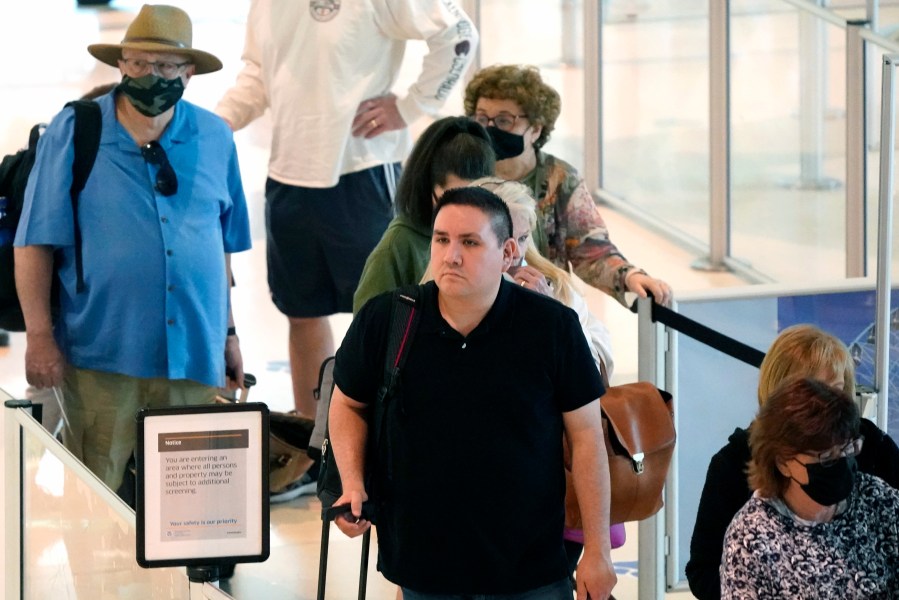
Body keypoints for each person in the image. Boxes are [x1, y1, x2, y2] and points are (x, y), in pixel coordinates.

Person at [329, 187, 617, 599]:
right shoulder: (389, 318)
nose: (451, 255)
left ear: (508, 252)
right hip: (424, 568)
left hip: (529, 570)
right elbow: (347, 403)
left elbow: (588, 436)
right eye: (441, 239)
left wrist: (598, 550)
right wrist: (353, 482)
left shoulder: (552, 327)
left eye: (470, 242)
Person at [14, 4, 251, 492]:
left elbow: (220, 248)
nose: (151, 76)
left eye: (166, 67)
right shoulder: (77, 131)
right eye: (140, 63)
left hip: (194, 355)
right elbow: (34, 241)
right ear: (121, 64)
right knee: (96, 495)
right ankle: (106, 574)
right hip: (103, 352)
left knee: (188, 503)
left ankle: (187, 574)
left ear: (189, 73)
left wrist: (228, 334)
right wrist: (39, 335)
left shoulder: (215, 137)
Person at [215, 1, 478, 421]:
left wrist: (410, 107)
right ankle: (312, 445)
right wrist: (215, 123)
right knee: (301, 313)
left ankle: (389, 441)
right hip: (289, 178)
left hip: (363, 174)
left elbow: (459, 36)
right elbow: (259, 75)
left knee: (391, 317)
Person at [686, 324, 899, 600]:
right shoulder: (745, 514)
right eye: (816, 394)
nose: (828, 406)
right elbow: (703, 571)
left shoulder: (872, 460)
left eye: (835, 390)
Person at [464, 64, 671, 307]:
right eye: (481, 118)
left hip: (544, 306)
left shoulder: (559, 178)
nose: (490, 128)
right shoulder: (465, 172)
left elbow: (590, 250)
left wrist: (629, 276)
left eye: (504, 120)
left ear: (536, 129)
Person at [721, 377, 899, 598]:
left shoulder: (877, 499)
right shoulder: (752, 537)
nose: (842, 462)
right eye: (826, 458)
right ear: (783, 463)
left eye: (848, 449)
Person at [352, 117, 495, 313]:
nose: (465, 209)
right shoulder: (398, 245)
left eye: (476, 195)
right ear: (429, 189)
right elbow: (366, 330)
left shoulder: (494, 232)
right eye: (452, 197)